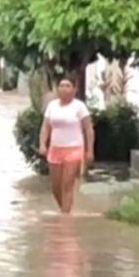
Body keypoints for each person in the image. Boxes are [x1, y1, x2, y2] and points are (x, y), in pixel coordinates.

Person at [39, 77, 94, 214]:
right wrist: (42, 144)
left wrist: (89, 151)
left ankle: (65, 219)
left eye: (68, 85)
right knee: (55, 187)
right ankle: (65, 211)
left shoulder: (79, 106)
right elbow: (45, 127)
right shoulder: (52, 105)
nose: (64, 88)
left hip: (74, 149)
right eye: (61, 85)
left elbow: (88, 129)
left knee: (67, 185)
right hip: (55, 149)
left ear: (75, 89)